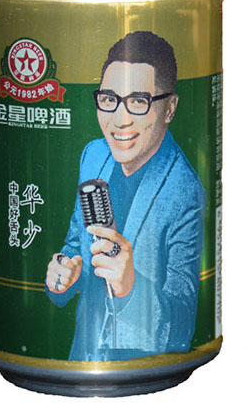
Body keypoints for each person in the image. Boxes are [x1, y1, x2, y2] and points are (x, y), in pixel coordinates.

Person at [45, 31, 205, 361]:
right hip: (83, 356)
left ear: (169, 108)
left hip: (142, 361)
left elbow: (182, 326)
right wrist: (64, 274)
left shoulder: (185, 191)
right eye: (109, 99)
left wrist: (131, 287)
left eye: (138, 101)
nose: (120, 120)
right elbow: (76, 244)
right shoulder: (93, 156)